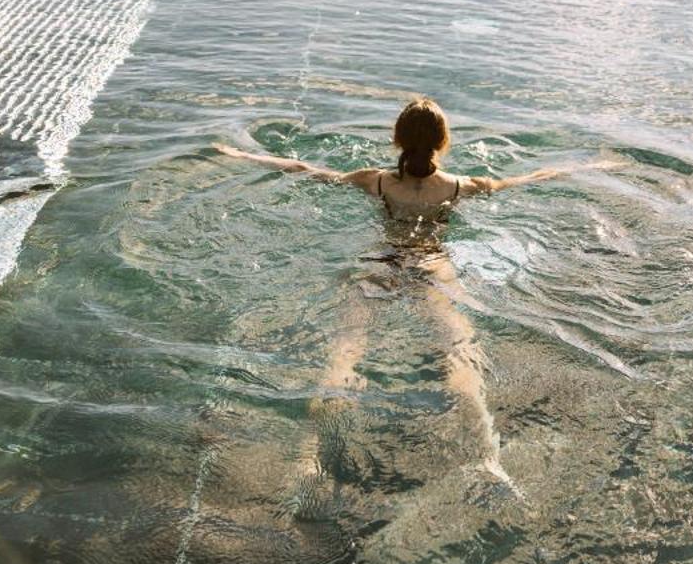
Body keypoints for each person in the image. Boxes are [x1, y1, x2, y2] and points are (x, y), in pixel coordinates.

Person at [214, 98, 604, 497]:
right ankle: (489, 457)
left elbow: (304, 170)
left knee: (346, 352)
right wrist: (586, 167)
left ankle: (309, 458)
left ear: (397, 139)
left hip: (381, 263)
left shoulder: (377, 181)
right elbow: (525, 180)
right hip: (432, 266)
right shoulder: (458, 186)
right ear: (443, 142)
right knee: (459, 350)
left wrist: (240, 154)